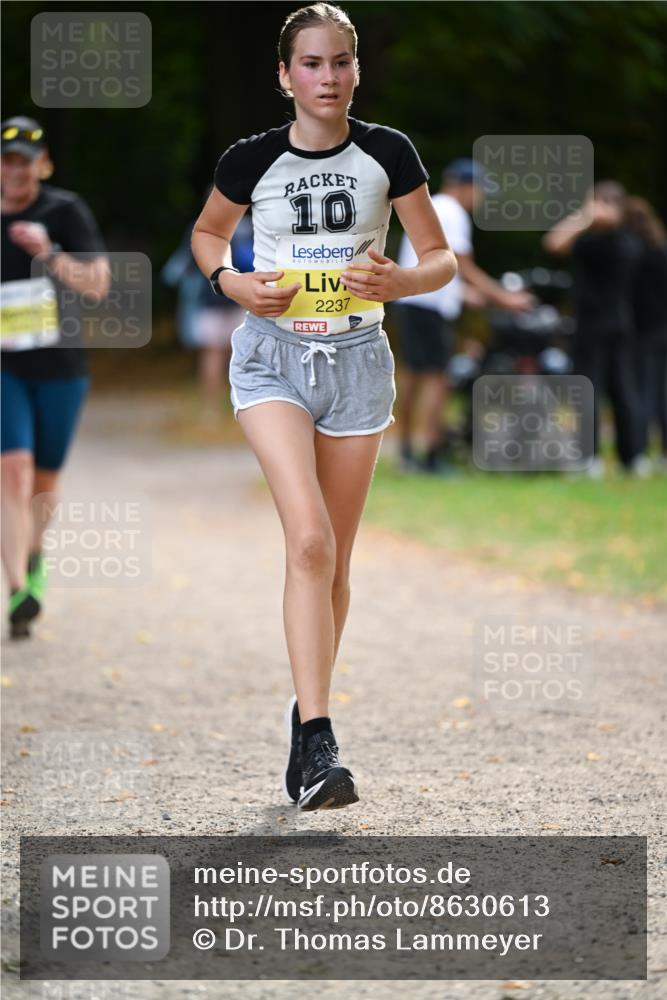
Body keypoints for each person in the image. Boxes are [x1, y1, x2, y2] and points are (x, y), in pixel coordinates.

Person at [191, 2, 456, 811]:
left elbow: (439, 256)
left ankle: (305, 712)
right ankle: (318, 737)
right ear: (284, 74)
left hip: (358, 363)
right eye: (311, 63)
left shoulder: (387, 153)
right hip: (272, 359)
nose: (327, 77)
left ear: (354, 70)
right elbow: (208, 234)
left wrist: (402, 280)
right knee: (306, 542)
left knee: (334, 559)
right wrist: (230, 281)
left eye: (340, 61)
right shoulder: (250, 159)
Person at [1, 116, 109, 637]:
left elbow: (97, 287)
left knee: (43, 479)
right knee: (13, 470)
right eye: (7, 159)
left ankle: (34, 557)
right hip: (4, 367)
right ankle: (18, 587)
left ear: (42, 165)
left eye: (25, 160)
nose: (16, 170)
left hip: (61, 365)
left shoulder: (63, 211)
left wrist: (48, 255)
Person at [395, 159, 532, 474]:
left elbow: (436, 265)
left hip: (413, 302)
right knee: (437, 379)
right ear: (465, 186)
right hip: (428, 308)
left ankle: (406, 454)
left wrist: (466, 295)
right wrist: (505, 298)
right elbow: (462, 265)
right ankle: (430, 456)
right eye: (481, 191)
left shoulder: (433, 206)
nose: (481, 199)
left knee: (413, 377)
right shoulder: (453, 213)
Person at [543, 181, 648, 477]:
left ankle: (592, 459)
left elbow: (553, 243)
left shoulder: (604, 242)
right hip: (619, 325)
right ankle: (632, 457)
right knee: (621, 390)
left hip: (594, 326)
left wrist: (583, 217)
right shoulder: (629, 241)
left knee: (593, 391)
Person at [162, 202, 253, 423]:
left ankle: (210, 409)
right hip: (242, 298)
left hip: (210, 299)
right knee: (243, 356)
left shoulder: (200, 228)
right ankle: (245, 407)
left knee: (212, 354)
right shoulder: (248, 227)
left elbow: (182, 267)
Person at [624, 196, 667, 471]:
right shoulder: (661, 251)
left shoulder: (631, 253)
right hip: (663, 329)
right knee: (663, 394)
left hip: (640, 332)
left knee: (641, 392)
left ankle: (638, 451)